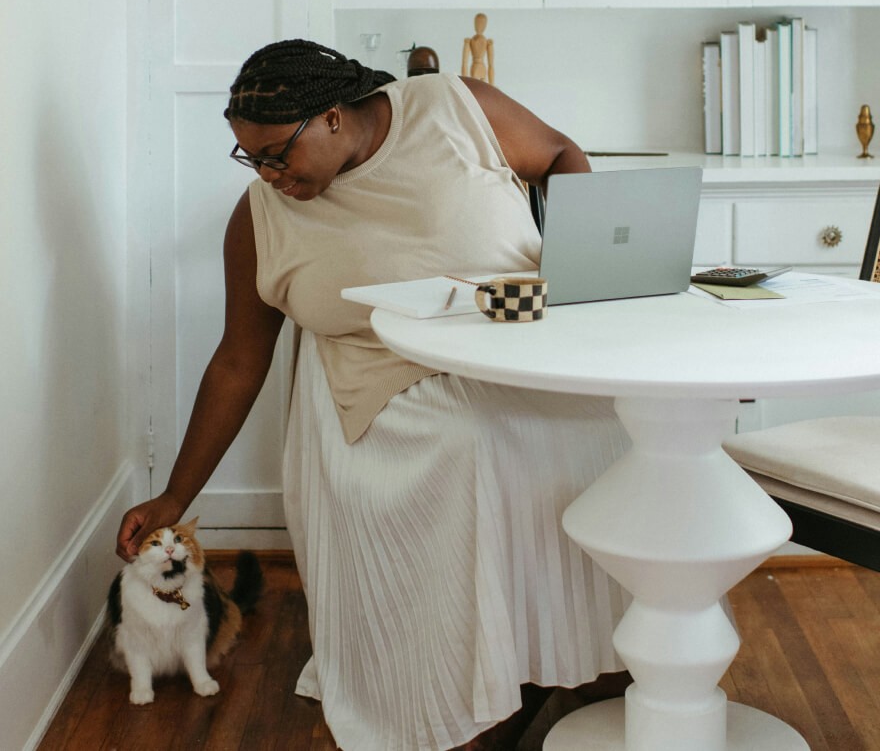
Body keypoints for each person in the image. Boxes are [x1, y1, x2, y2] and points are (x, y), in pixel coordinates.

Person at [116, 39, 631, 751]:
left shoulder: (456, 109)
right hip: (387, 389)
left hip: (529, 355)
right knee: (473, 448)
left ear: (332, 117)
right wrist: (173, 498)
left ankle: (580, 657)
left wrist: (584, 270)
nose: (266, 175)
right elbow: (238, 361)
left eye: (275, 154)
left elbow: (561, 155)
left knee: (611, 432)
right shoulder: (260, 218)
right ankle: (482, 694)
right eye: (249, 158)